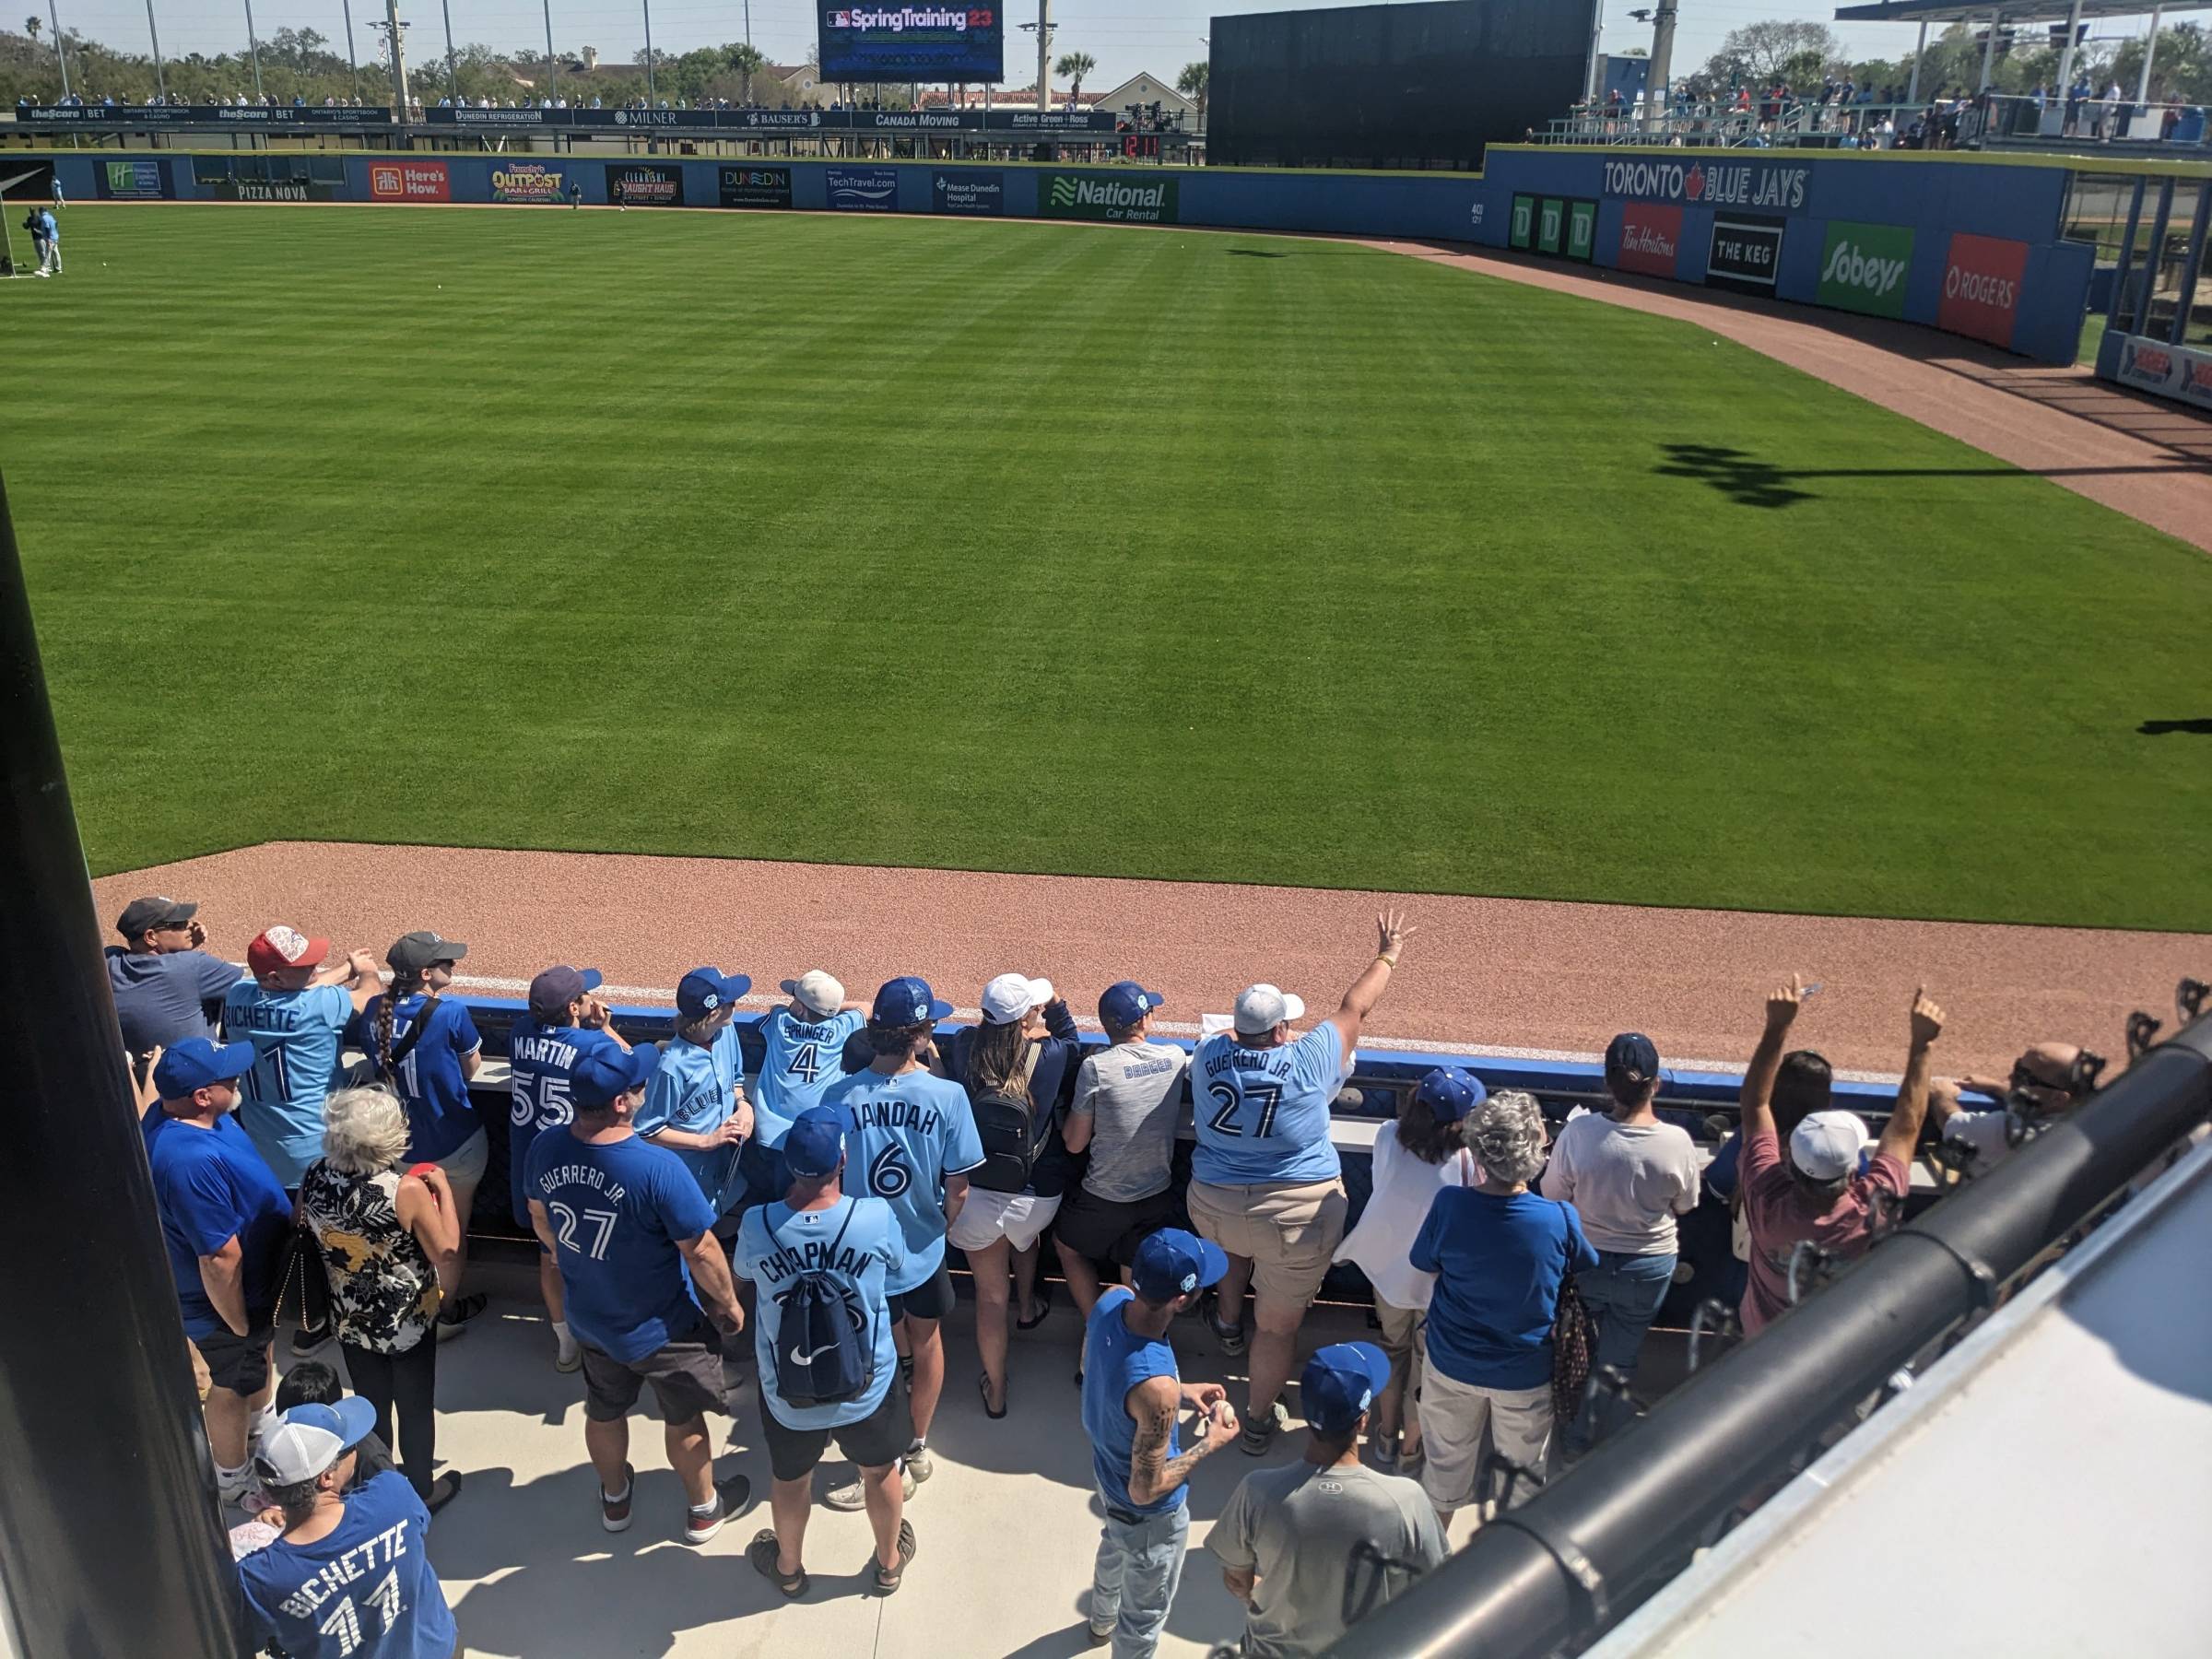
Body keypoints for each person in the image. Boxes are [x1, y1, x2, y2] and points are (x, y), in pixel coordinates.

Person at [1192, 911, 1413, 1454]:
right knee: (1274, 1330)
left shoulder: (1207, 1055)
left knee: (1235, 1251)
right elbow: (1355, 1006)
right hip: (1295, 1216)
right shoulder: (1309, 1059)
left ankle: (1224, 1322)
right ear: (1281, 1031)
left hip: (1215, 1207)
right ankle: (1259, 1420)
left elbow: (1229, 1037)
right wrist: (1387, 953)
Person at [525, 1041, 751, 1544]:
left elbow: (540, 1216)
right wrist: (730, 1305)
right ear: (622, 1103)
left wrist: (566, 1256)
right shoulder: (656, 1167)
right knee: (684, 1416)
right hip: (663, 1326)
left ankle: (614, 1500)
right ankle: (703, 1510)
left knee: (604, 1409)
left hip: (590, 1318)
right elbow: (703, 1252)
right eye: (637, 1083)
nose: (644, 1085)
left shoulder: (546, 1146)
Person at [734, 1107, 917, 1596]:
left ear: (790, 1165)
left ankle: (789, 1571)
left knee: (791, 1480)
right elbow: (897, 1265)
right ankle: (888, 1564)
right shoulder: (874, 1215)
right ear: (842, 1161)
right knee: (879, 1472)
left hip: (787, 1390)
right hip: (867, 1383)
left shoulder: (756, 1223)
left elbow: (747, 1275)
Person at [818, 976, 983, 1508]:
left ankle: (883, 1452)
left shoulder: (838, 1095)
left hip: (859, 1254)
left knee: (875, 1353)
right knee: (927, 1341)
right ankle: (913, 1446)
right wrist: (940, 1226)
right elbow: (959, 1187)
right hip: (923, 1247)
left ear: (872, 1032)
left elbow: (825, 1182)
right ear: (922, 1034)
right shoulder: (949, 1095)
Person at [1411, 1089, 1596, 1526]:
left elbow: (1423, 1261)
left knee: (1443, 1472)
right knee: (1520, 1483)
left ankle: (1428, 1568)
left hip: (1452, 1362)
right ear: (1535, 1151)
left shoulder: (1450, 1204)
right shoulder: (1559, 1218)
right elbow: (1586, 1262)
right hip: (1524, 1374)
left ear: (1478, 1148)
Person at [1207, 1344, 1448, 1656]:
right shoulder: (1406, 1501)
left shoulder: (1256, 1491)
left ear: (1306, 1415)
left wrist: (1275, 1599)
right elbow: (1437, 1592)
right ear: (1362, 1420)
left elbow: (1237, 1580)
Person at [1737, 977, 1943, 1335]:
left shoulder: (1765, 1199)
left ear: (1790, 1164)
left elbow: (1756, 1104)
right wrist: (1922, 1042)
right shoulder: (1873, 1207)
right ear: (1852, 1173)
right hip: (1840, 1344)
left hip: (1763, 1343)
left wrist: (1777, 1026)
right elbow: (1908, 1124)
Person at [143, 1037, 296, 1504]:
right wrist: (236, 1322)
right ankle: (233, 1479)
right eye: (226, 1076)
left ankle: (262, 1428)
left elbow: (151, 1097)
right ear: (202, 1096)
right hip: (226, 1302)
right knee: (231, 1383)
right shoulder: (189, 1160)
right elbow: (218, 1257)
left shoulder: (188, 1116)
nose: (237, 1079)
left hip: (253, 1291)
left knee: (256, 1363)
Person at [298, 1086, 463, 1511]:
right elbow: (444, 1249)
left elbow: (301, 1221)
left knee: (370, 1407)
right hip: (405, 1321)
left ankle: (378, 1486)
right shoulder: (402, 1189)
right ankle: (422, 1490)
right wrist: (442, 1190)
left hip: (349, 1316)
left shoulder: (315, 1173)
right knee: (414, 1408)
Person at [1539, 1032, 1700, 1455]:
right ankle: (1604, 1445)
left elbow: (1552, 1194)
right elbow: (1686, 1204)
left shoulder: (1579, 1134)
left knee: (1576, 1354)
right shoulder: (1677, 1143)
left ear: (1609, 1085)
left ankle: (1574, 1443)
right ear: (1655, 1084)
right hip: (1648, 1267)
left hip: (1585, 1261)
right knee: (1619, 1360)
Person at [1080, 1228, 1239, 1655]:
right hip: (1151, 1519)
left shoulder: (1110, 1300)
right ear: (1182, 1299)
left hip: (1105, 1476)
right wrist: (1211, 1443)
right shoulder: (1157, 1389)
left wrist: (1181, 1391)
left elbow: (1106, 1373)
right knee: (1142, 1622)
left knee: (1113, 1546)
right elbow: (1144, 1488)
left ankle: (1099, 1623)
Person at [936, 971, 1082, 1418]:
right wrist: (1053, 1005)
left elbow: (980, 1038)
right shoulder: (1052, 1055)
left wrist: (1026, 1021)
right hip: (1035, 1201)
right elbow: (1071, 1037)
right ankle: (1028, 1305)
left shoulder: (963, 1046)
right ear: (1025, 1020)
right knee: (1022, 1236)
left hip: (974, 1198)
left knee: (989, 1298)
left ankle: (996, 1391)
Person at [1331, 1066, 1483, 1473]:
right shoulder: (1471, 1159)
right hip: (1440, 1283)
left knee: (1392, 1349)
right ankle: (1411, 1450)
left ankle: (1384, 1437)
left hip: (1390, 1273)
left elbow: (1384, 1180)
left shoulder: (1388, 1135)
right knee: (1426, 1364)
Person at [236, 1400, 459, 1659]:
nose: (357, 1449)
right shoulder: (394, 1495)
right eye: (349, 1447)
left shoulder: (259, 1578)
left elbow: (244, 1640)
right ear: (326, 1478)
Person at [361, 932, 488, 1340]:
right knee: (451, 1235)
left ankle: (412, 1304)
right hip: (456, 1146)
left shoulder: (373, 1012)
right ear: (425, 973)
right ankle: (443, 1314)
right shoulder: (451, 1013)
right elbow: (472, 1070)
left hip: (401, 1149)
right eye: (445, 963)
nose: (452, 966)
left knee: (411, 1234)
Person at [507, 964, 628, 1371]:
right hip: (580, 1166)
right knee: (599, 1254)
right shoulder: (593, 1046)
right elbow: (630, 1068)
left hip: (533, 1165)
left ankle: (564, 1342)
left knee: (550, 1257)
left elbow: (545, 1032)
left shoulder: (519, 1031)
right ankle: (602, 1340)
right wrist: (604, 1029)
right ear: (574, 1006)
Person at [1054, 981, 1188, 1331]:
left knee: (1065, 1245)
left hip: (1104, 1200)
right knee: (1135, 1262)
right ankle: (1135, 1333)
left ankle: (1099, 1329)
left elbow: (1074, 1143)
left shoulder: (1097, 1068)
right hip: (1157, 1195)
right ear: (1143, 1022)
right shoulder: (1174, 1058)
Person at [743, 969, 865, 1214]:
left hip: (770, 1137)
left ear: (799, 1009)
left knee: (776, 1200)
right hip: (819, 1137)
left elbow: (776, 1006)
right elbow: (865, 1007)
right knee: (813, 1200)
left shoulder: (781, 1022)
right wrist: (833, 1011)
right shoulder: (843, 1027)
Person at [635, 966, 752, 1218]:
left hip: (722, 1169)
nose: (737, 1004)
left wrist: (744, 1106)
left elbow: (737, 1080)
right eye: (732, 1001)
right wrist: (705, 1142)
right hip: (687, 1178)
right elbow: (647, 1130)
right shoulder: (672, 1067)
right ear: (714, 1012)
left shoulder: (726, 1032)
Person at [105, 895, 241, 1083]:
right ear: (151, 937)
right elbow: (256, 982)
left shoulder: (109, 963)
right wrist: (186, 954)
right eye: (178, 924)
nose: (189, 926)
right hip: (197, 1089)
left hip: (142, 1092)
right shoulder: (193, 966)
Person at [1937, 1041, 2092, 1176]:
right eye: (2018, 1067)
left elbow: (1950, 1122)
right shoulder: (2089, 1118)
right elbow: (2036, 1101)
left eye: (2023, 1077)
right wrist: (1997, 1087)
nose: (2011, 1077)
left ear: (2058, 1098)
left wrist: (1942, 1094)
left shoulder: (2014, 1133)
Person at [36, 206, 58, 275]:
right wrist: (54, 231)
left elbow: (47, 229)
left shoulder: (44, 218)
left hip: (50, 238)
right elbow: (56, 223)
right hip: (55, 237)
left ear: (41, 211)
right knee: (56, 253)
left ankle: (45, 268)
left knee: (48, 253)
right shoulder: (50, 216)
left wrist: (48, 239)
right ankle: (58, 268)